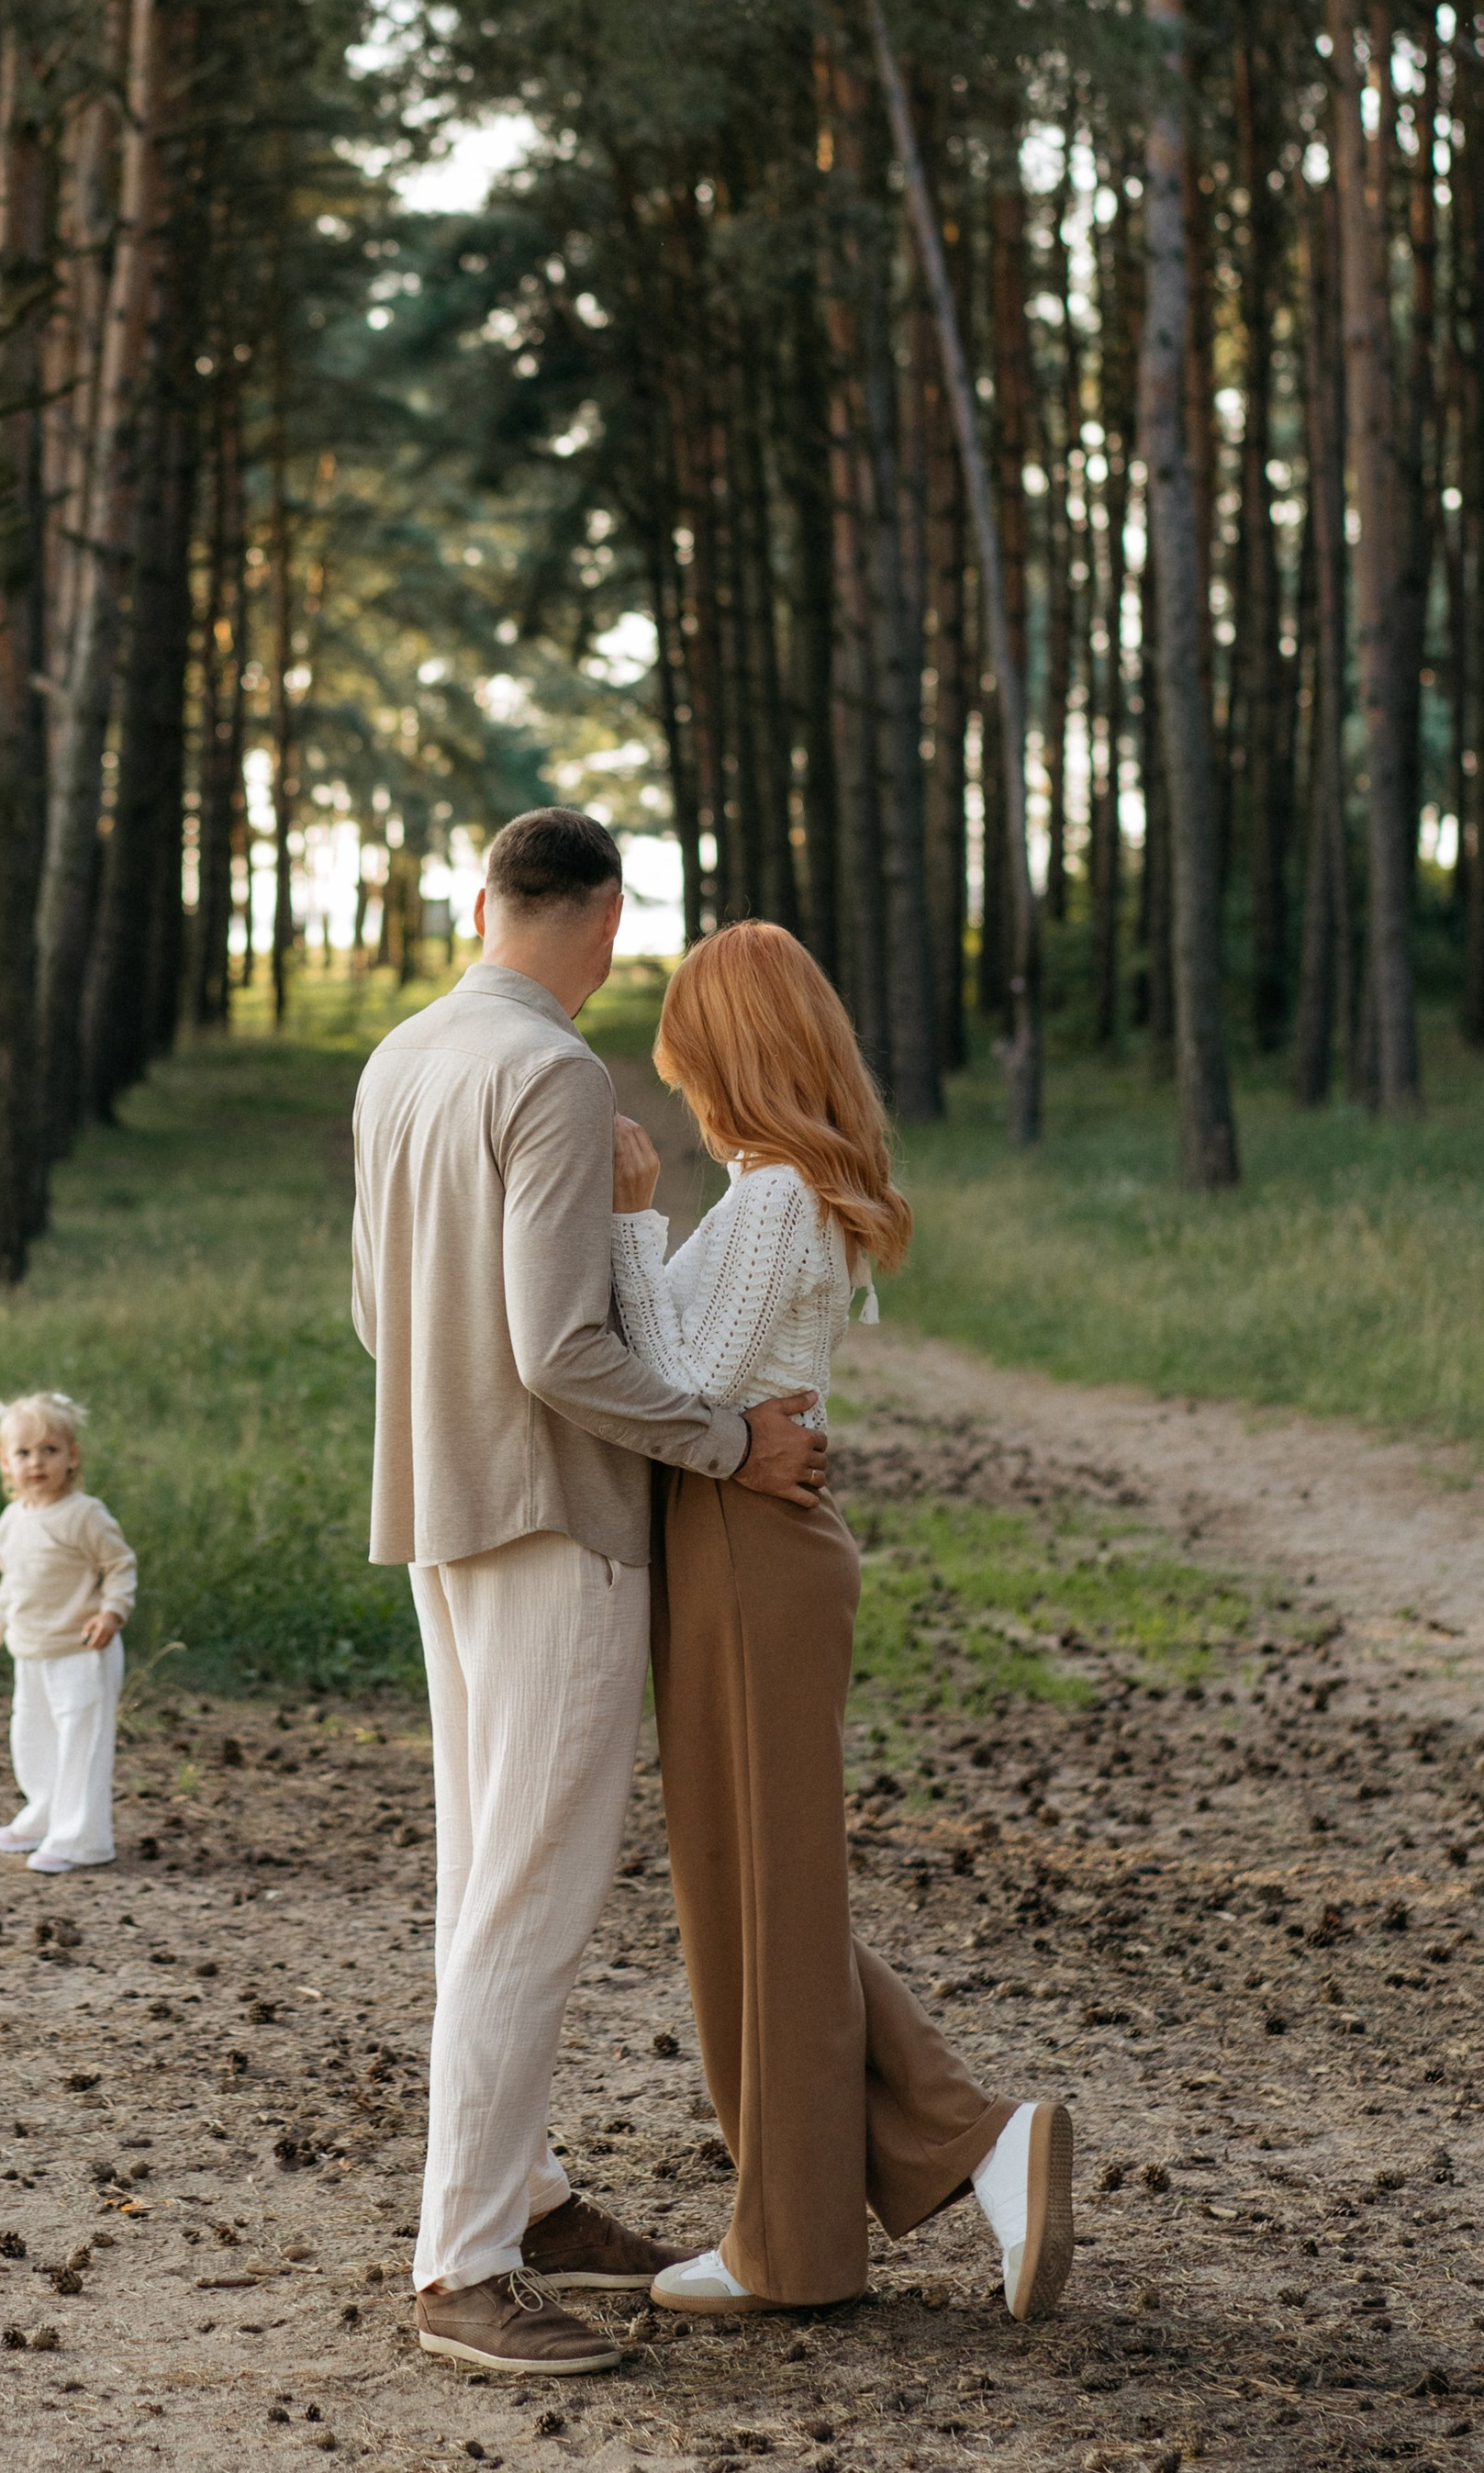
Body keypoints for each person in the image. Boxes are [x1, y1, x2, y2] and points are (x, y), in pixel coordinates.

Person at [351, 807, 829, 2379]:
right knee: (531, 1898)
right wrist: (725, 1441)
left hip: (440, 1513)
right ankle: (465, 2267)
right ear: (608, 920)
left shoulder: (403, 1056)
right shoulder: (556, 1075)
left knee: (483, 1874)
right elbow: (565, 1351)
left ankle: (532, 2199)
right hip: (556, 1522)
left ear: (486, 899)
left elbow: (380, 1315)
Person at [608, 918, 1073, 2323]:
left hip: (750, 1550)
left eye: (687, 1051)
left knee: (769, 1896)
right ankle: (908, 2174)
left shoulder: (769, 1199)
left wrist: (632, 1221)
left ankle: (830, 2224)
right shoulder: (783, 1191)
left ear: (727, 1052)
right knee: (755, 1893)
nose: (675, 1079)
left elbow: (685, 1375)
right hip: (742, 1546)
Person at [0, 1391, 136, 1875]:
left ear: (73, 1456)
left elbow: (120, 1565)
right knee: (33, 1736)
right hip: (33, 1650)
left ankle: (81, 1837)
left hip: (81, 1650)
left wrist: (112, 1612)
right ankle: (44, 1813)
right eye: (23, 1453)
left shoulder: (84, 1515)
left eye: (49, 1450)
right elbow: (13, 1584)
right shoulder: (11, 1522)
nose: (36, 1463)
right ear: (5, 1462)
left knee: (80, 1742)